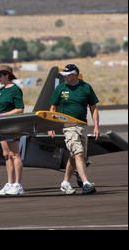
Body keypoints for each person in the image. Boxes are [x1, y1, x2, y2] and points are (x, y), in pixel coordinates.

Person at [48, 64, 99, 195]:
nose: (64, 77)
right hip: (68, 126)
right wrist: (50, 126)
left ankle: (65, 182)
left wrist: (97, 126)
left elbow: (93, 108)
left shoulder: (86, 87)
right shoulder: (60, 88)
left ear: (74, 75)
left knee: (74, 155)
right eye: (63, 75)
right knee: (79, 153)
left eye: (67, 75)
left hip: (82, 125)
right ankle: (86, 183)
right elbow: (53, 109)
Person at [0, 65, 25, 195]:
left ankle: (18, 184)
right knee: (6, 155)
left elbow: (20, 109)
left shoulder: (15, 90)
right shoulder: (1, 90)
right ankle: (9, 183)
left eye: (0, 75)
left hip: (12, 125)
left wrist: (2, 115)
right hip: (2, 126)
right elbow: (2, 107)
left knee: (15, 155)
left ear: (7, 75)